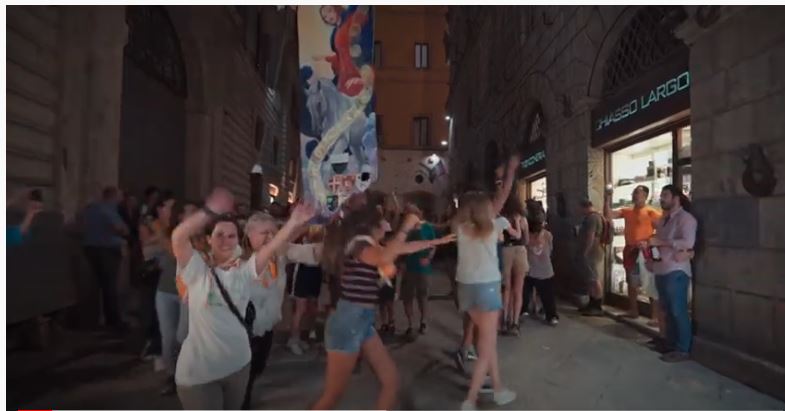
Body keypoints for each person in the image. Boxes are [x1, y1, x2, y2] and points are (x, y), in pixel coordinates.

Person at [172, 187, 314, 410]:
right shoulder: (197, 271)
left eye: (231, 236)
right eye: (219, 235)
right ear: (209, 239)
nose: (226, 240)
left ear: (238, 240)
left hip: (238, 368)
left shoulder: (245, 272)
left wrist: (295, 221)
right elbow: (179, 237)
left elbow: (273, 247)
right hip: (200, 373)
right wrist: (209, 211)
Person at [311, 206, 455, 410]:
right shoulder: (360, 246)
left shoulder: (370, 245)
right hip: (348, 321)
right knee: (332, 396)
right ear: (372, 227)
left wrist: (436, 242)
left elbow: (403, 248)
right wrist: (405, 226)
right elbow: (387, 257)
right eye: (383, 222)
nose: (387, 225)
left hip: (362, 320)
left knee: (391, 381)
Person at [452, 154, 520, 411]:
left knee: (488, 343)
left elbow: (499, 197)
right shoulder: (494, 225)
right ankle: (470, 400)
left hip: (465, 289)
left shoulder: (459, 227)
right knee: (488, 344)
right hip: (488, 287)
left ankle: (499, 387)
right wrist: (510, 171)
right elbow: (503, 195)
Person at [242, 212, 322, 408]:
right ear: (249, 235)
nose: (270, 238)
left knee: (258, 366)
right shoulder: (239, 257)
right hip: (243, 326)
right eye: (264, 233)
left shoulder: (281, 252)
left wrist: (340, 240)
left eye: (273, 232)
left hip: (267, 325)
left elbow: (311, 254)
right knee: (244, 374)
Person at [643, 185, 697, 363]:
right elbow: (661, 244)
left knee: (677, 310)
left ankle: (683, 348)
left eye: (665, 195)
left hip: (676, 270)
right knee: (666, 309)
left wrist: (662, 242)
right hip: (662, 269)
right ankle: (670, 343)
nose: (662, 198)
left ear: (676, 198)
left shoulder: (686, 219)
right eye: (661, 195)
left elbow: (688, 242)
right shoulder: (665, 219)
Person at [139, 195, 182, 395]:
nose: (163, 211)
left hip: (187, 293)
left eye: (169, 207)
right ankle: (172, 377)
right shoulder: (164, 232)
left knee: (184, 337)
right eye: (164, 207)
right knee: (168, 339)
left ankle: (187, 377)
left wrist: (158, 232)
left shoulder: (191, 233)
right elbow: (147, 253)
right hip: (164, 291)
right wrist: (154, 238)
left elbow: (175, 252)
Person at [604, 185, 662, 319]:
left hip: (645, 251)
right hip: (630, 249)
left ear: (645, 196)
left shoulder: (651, 212)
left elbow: (662, 230)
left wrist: (650, 242)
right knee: (632, 282)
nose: (635, 195)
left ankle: (654, 315)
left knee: (650, 283)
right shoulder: (627, 211)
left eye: (638, 193)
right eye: (634, 193)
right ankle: (633, 310)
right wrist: (607, 198)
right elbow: (608, 215)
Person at [82, 186, 129, 331]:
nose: (122, 198)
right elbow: (120, 228)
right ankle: (113, 321)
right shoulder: (109, 209)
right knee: (110, 286)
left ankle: (92, 320)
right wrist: (124, 233)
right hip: (107, 250)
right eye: (120, 196)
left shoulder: (90, 209)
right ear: (113, 196)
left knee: (94, 286)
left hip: (90, 249)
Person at [286, 224, 326, 355]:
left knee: (312, 308)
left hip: (315, 274)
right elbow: (287, 248)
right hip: (303, 274)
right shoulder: (302, 248)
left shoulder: (322, 245)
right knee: (300, 308)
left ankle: (304, 335)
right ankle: (293, 339)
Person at [400, 203, 437, 337]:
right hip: (409, 266)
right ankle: (410, 324)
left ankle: (423, 321)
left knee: (422, 296)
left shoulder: (426, 227)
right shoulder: (405, 229)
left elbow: (433, 245)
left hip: (422, 267)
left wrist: (429, 258)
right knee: (407, 296)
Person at [523, 204, 558, 326]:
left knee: (525, 290)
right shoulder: (548, 235)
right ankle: (551, 316)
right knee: (548, 295)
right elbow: (551, 250)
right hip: (545, 270)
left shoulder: (525, 236)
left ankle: (524, 309)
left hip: (529, 269)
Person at [500, 200, 528, 335]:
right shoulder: (522, 219)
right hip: (520, 251)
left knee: (506, 289)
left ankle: (504, 320)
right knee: (518, 289)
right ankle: (515, 322)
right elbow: (526, 239)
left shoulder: (502, 218)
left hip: (506, 251)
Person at [576, 199, 605, 317]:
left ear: (585, 207)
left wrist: (585, 251)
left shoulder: (593, 218)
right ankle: (592, 303)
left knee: (594, 278)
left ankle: (597, 305)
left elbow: (591, 235)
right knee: (590, 278)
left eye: (579, 208)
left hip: (592, 251)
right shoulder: (591, 217)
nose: (577, 211)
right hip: (591, 251)